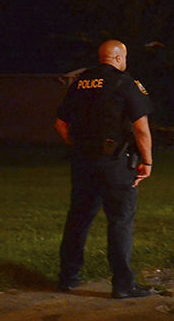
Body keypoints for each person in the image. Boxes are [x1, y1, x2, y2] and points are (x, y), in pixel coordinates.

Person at [55, 39, 155, 299]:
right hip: (115, 164)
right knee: (119, 222)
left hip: (83, 163)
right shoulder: (126, 83)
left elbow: (60, 125)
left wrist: (79, 147)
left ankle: (68, 278)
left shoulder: (80, 83)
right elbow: (141, 128)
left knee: (78, 220)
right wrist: (147, 161)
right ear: (119, 58)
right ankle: (123, 285)